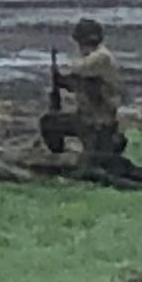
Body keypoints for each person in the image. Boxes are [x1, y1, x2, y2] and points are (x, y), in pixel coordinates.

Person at [39, 19, 122, 169]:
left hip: (99, 124)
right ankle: (59, 154)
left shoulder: (101, 57)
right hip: (86, 120)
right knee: (50, 122)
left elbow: (80, 71)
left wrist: (64, 78)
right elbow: (78, 82)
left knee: (94, 164)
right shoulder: (97, 59)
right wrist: (60, 81)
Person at [0, 145, 142, 191]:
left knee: (116, 163)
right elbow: (32, 173)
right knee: (109, 175)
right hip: (67, 168)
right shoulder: (0, 168)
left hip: (68, 161)